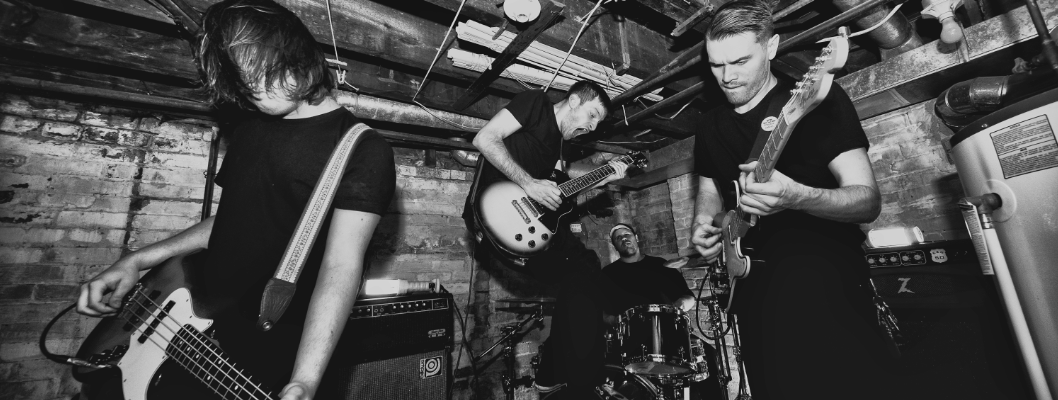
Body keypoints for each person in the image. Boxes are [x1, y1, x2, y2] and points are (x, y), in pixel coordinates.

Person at [75, 1, 396, 399]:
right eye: (244, 79)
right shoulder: (249, 127)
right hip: (190, 323)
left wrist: (305, 379)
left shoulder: (363, 149)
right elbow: (232, 222)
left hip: (264, 353)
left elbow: (341, 266)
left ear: (300, 55)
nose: (255, 88)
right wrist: (138, 260)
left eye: (265, 71)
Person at [689, 1, 889, 399]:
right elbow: (710, 190)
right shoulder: (708, 124)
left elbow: (868, 201)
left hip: (827, 289)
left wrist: (798, 197)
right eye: (716, 65)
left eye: (740, 61)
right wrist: (704, 225)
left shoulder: (819, 100)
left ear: (772, 46)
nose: (727, 77)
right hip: (753, 295)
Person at [462, 82, 628, 399]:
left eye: (597, 123)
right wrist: (529, 183)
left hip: (526, 229)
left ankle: (552, 372)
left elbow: (560, 194)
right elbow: (484, 138)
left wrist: (605, 176)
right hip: (495, 209)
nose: (592, 127)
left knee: (583, 274)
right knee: (584, 271)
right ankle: (580, 381)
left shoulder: (557, 149)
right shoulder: (536, 103)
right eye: (592, 115)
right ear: (574, 100)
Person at [603, 223, 695, 315]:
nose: (623, 238)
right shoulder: (607, 274)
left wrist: (682, 304)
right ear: (615, 246)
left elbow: (688, 296)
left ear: (636, 238)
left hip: (663, 321)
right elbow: (604, 313)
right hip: (628, 323)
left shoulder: (659, 265)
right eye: (618, 238)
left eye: (627, 234)